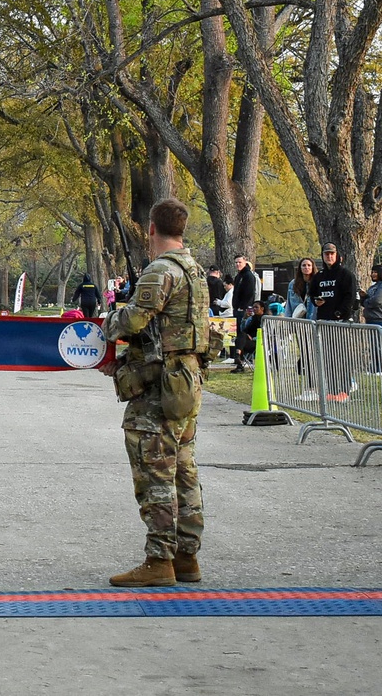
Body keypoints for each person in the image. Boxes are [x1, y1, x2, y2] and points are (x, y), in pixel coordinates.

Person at [99, 198, 208, 588]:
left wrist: (108, 320)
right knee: (183, 467)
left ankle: (159, 559)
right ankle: (187, 554)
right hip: (187, 380)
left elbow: (133, 320)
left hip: (158, 387)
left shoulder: (160, 271)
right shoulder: (193, 270)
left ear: (151, 229)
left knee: (154, 470)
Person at [311, 243, 358, 401]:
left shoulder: (346, 275)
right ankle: (331, 390)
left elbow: (350, 297)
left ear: (337, 255)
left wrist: (339, 313)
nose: (329, 256)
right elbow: (312, 294)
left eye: (332, 253)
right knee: (328, 358)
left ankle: (344, 390)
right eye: (326, 254)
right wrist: (315, 301)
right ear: (323, 256)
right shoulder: (319, 276)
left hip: (341, 322)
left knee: (341, 357)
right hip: (323, 321)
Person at [230, 254, 258, 372]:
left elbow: (249, 293)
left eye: (239, 262)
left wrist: (243, 307)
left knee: (243, 333)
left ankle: (240, 358)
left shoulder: (248, 276)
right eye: (236, 262)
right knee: (239, 334)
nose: (237, 264)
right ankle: (239, 361)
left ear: (245, 262)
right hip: (237, 309)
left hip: (245, 310)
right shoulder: (238, 276)